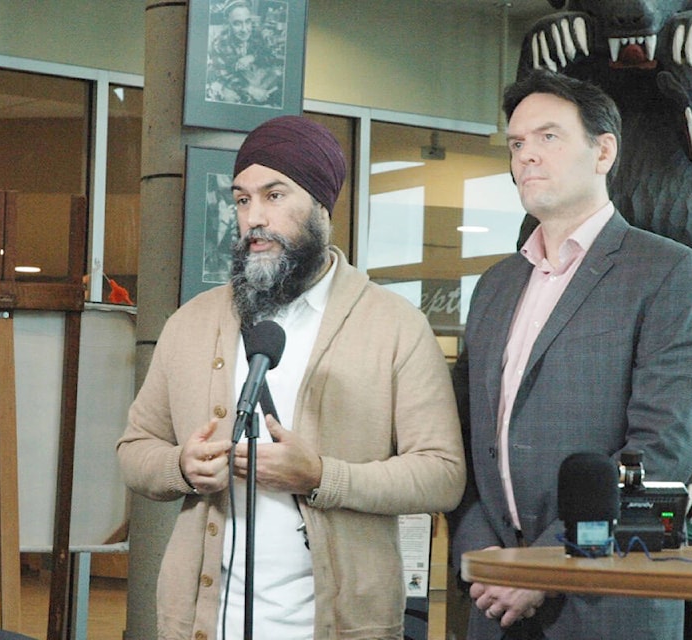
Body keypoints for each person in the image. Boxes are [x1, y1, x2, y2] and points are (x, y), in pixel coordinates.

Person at [117, 115, 466, 640]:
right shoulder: (192, 322)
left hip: (339, 625)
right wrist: (181, 467)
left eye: (274, 195)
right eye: (241, 199)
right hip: (204, 623)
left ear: (323, 207)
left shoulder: (395, 325)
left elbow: (442, 474)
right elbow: (134, 448)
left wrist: (323, 475)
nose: (254, 217)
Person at [448, 69, 692, 639]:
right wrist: (486, 561)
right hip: (494, 598)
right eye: (517, 144)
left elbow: (658, 455)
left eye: (548, 137)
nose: (526, 157)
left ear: (604, 152)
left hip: (608, 603)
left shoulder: (669, 273)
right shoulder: (494, 286)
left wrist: (547, 565)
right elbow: (462, 438)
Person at [205, 0, 283, 106]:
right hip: (234, 82)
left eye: (248, 21)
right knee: (229, 97)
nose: (245, 29)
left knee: (277, 75)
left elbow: (271, 57)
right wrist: (251, 90)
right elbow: (225, 76)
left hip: (255, 77)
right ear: (227, 22)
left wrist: (252, 57)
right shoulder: (219, 44)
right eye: (237, 23)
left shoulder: (256, 34)